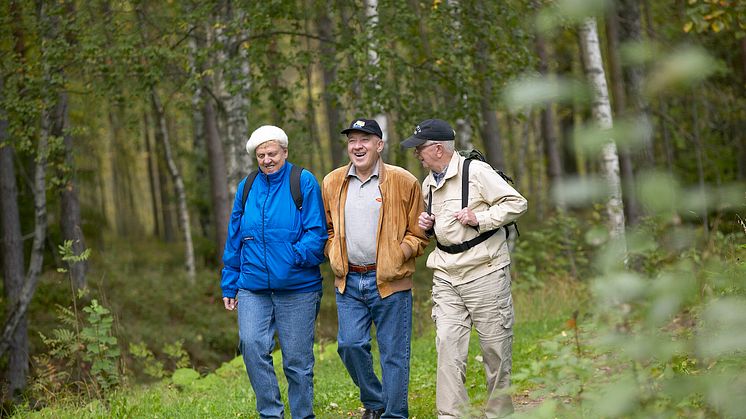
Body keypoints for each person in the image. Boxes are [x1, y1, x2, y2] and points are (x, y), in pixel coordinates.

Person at [401, 119, 528, 418]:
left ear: (437, 148)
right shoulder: (428, 183)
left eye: (420, 149)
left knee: (495, 350)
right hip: (446, 274)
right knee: (447, 346)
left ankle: (499, 413)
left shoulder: (476, 172)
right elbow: (443, 227)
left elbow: (517, 203)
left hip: (484, 270)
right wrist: (428, 227)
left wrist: (480, 219)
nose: (417, 154)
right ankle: (451, 415)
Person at [322, 118, 429, 419]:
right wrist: (333, 253)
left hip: (391, 282)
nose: (358, 146)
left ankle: (394, 414)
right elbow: (328, 229)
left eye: (365, 139)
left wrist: (399, 254)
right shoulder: (332, 182)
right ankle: (375, 400)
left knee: (394, 355)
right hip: (349, 281)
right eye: (352, 140)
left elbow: (419, 233)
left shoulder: (404, 180)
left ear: (379, 145)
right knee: (349, 345)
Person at [221, 125, 328, 419]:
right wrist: (230, 283)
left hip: (297, 287)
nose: (267, 160)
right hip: (253, 287)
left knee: (296, 361)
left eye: (272, 154)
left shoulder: (302, 181)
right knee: (253, 347)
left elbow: (317, 233)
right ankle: (271, 413)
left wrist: (291, 257)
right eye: (261, 155)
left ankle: (303, 415)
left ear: (285, 152)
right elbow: (234, 237)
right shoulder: (246, 187)